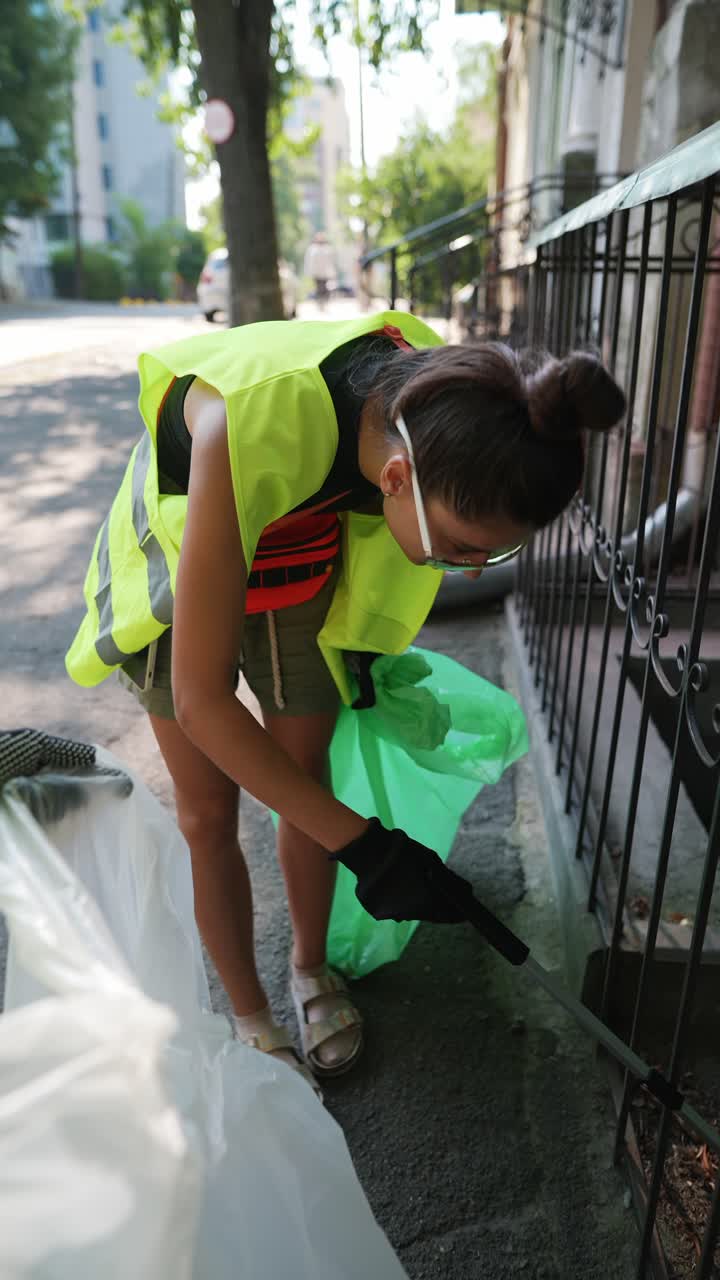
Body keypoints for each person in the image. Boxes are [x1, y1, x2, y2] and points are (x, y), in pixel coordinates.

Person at [66, 312, 625, 1094]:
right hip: (178, 571)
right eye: (463, 547)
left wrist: (352, 828)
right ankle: (252, 1019)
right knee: (207, 814)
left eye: (495, 552)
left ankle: (310, 968)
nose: (471, 571)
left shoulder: (447, 408)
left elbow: (307, 790)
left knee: (305, 781)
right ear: (395, 479)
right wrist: (368, 849)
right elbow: (202, 702)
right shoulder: (247, 423)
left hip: (295, 560)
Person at [303, 231, 335, 308]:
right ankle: (319, 303)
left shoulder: (327, 248)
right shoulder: (312, 249)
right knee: (318, 288)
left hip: (325, 273)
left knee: (324, 288)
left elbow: (330, 262)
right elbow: (309, 262)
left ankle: (323, 302)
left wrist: (332, 272)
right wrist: (309, 272)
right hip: (316, 273)